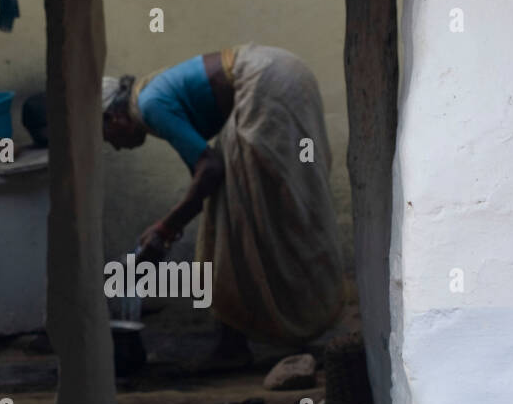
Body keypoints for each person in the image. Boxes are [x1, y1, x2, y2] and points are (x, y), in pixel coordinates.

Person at [102, 45, 344, 365]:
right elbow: (206, 180)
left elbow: (211, 169)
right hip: (284, 73)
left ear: (113, 116)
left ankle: (255, 336)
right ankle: (245, 337)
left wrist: (165, 227)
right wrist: (169, 231)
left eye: (105, 134)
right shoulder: (151, 97)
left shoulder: (150, 106)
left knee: (249, 217)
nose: (114, 147)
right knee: (239, 213)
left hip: (266, 83)